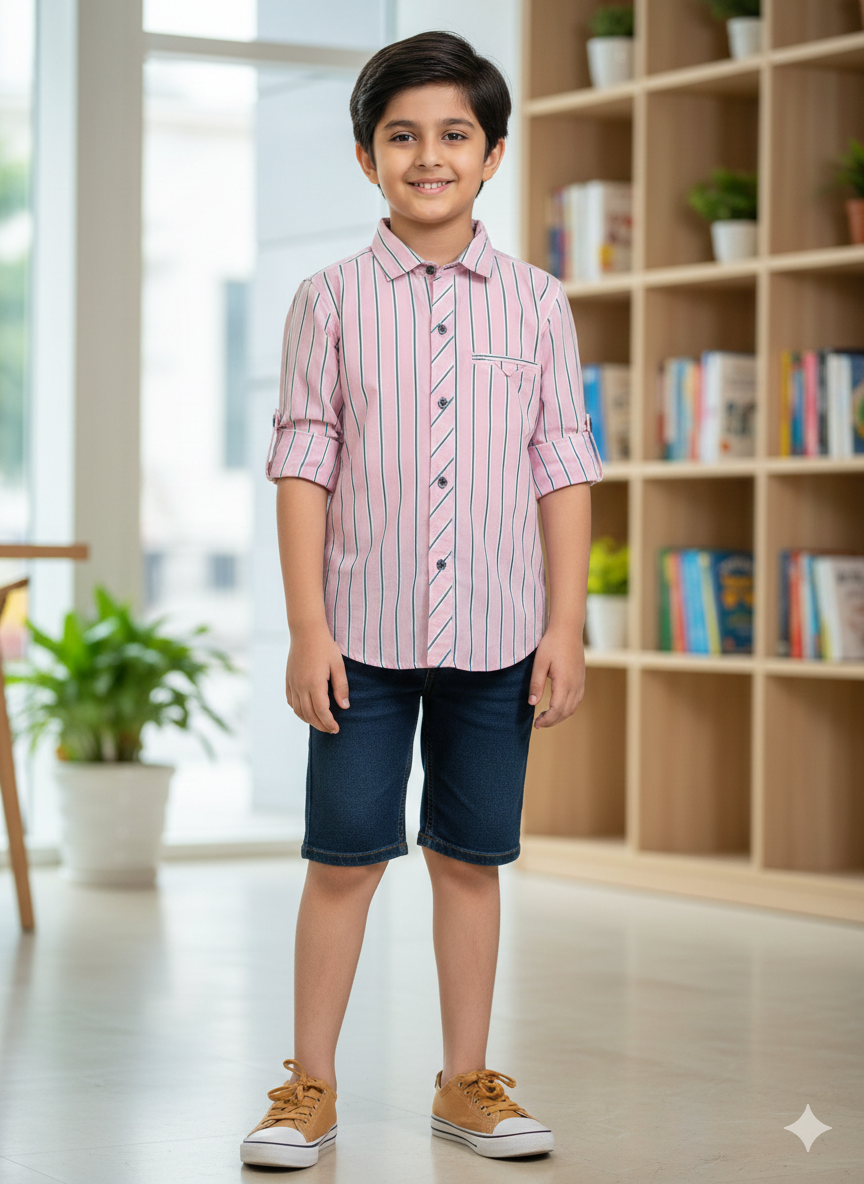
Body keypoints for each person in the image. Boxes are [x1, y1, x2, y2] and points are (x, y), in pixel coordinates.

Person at [240, 29, 602, 1170]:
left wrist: (565, 623)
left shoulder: (540, 304)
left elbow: (563, 465)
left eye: (455, 135)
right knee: (343, 860)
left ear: (493, 154)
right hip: (363, 641)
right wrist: (308, 627)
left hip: (499, 636)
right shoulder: (330, 300)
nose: (429, 155)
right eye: (403, 136)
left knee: (469, 858)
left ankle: (466, 1082)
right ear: (367, 157)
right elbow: (305, 466)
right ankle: (308, 1087)